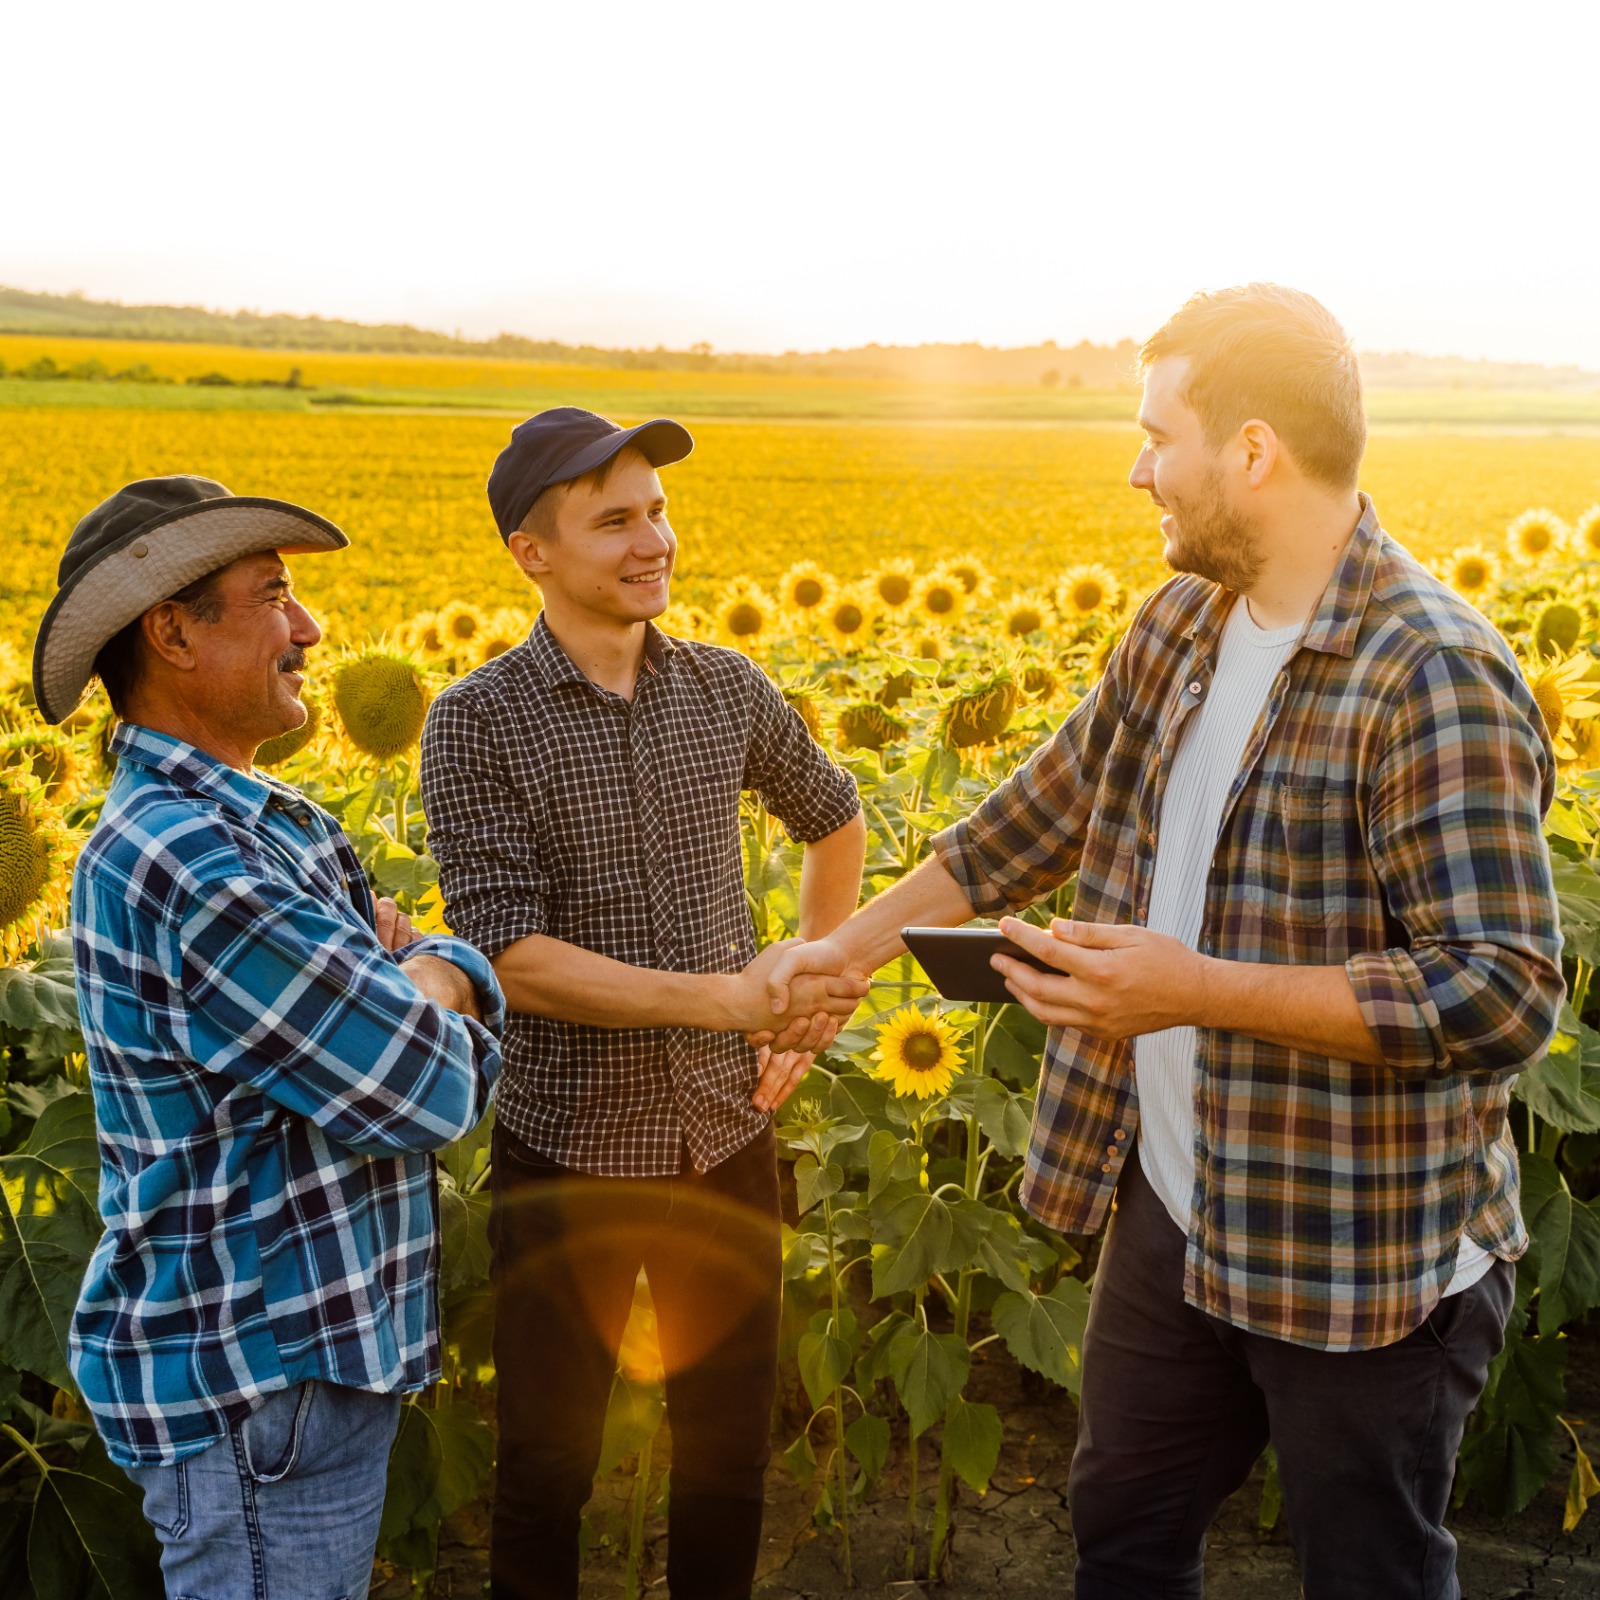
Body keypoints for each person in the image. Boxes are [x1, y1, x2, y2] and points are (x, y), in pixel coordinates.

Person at [762, 286, 1563, 1599]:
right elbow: (1012, 831)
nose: (1138, 468)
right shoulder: (1180, 631)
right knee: (1124, 1542)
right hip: (1174, 1215)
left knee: (1368, 1573)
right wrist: (847, 952)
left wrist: (1194, 991)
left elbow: (1500, 996)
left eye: (1157, 435)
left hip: (1358, 1247)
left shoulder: (1427, 671)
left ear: (1251, 451)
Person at [418, 407, 868, 1600]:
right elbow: (511, 956)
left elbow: (836, 817)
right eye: (614, 520)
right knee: (548, 1466)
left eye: (657, 512)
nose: (651, 540)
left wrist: (804, 992)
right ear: (533, 552)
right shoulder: (476, 720)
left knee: (725, 1459)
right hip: (568, 1153)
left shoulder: (726, 688)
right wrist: (728, 1000)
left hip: (727, 1141)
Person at [33, 475, 505, 1600]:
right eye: (275, 595)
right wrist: (433, 972)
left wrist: (419, 973)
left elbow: (415, 997)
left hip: (301, 1366)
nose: (312, 628)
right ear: (173, 633)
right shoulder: (195, 863)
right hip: (260, 1384)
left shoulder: (259, 821)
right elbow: (432, 1083)